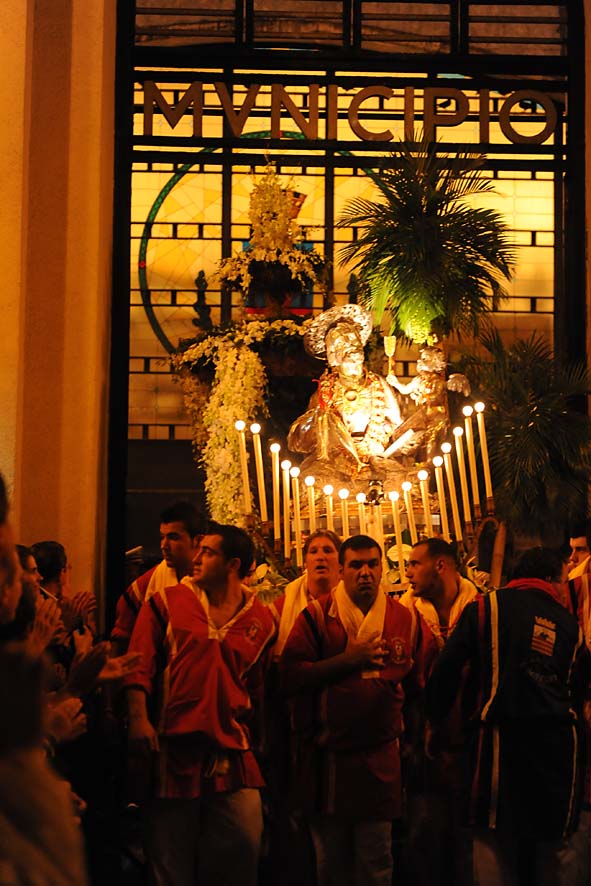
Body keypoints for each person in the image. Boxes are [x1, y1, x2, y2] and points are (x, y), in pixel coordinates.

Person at [125, 523, 277, 886]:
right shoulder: (166, 603)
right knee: (169, 861)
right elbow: (138, 664)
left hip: (233, 752)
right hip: (173, 749)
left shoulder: (261, 619)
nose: (196, 557)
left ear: (233, 564)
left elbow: (259, 690)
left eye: (207, 552)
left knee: (242, 845)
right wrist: (138, 718)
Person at [426, 546, 585, 885]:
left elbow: (446, 669)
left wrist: (434, 720)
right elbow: (580, 686)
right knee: (554, 845)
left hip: (499, 741)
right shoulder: (570, 625)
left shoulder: (486, 607)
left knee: (492, 839)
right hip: (557, 747)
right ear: (552, 578)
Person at [281, 534, 432, 886]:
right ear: (341, 570)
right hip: (327, 760)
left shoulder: (405, 619)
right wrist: (348, 660)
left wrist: (412, 738)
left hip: (381, 760)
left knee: (376, 859)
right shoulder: (317, 616)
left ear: (382, 568)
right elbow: (289, 677)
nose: (365, 572)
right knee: (330, 862)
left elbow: (419, 685)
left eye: (372, 564)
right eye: (355, 565)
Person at [400, 538, 479, 886]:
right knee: (424, 833)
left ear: (441, 566)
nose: (408, 572)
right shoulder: (406, 613)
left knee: (469, 837)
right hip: (423, 743)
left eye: (415, 563)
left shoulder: (481, 607)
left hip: (470, 738)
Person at [287, 304, 415, 485]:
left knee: (404, 481)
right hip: (336, 463)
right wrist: (321, 420)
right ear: (333, 355)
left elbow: (398, 426)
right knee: (315, 481)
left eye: (354, 342)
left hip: (376, 458)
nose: (352, 348)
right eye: (343, 344)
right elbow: (307, 438)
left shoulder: (378, 384)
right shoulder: (326, 390)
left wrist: (409, 440)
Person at [111, 500, 204, 654]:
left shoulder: (213, 583)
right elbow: (121, 639)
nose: (164, 545)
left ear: (198, 540)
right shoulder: (145, 586)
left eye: (173, 537)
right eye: (162, 537)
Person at [270, 528, 341, 658]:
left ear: (340, 561)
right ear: (305, 562)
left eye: (328, 550)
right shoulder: (285, 606)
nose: (320, 557)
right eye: (313, 551)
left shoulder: (352, 599)